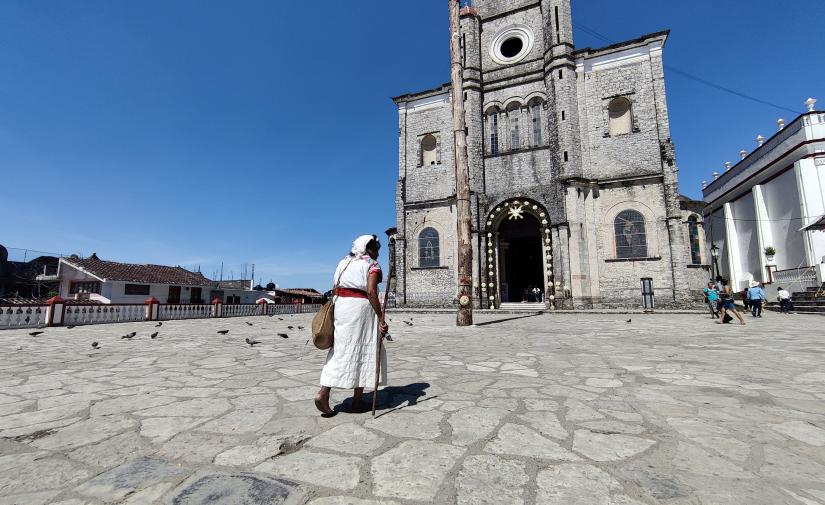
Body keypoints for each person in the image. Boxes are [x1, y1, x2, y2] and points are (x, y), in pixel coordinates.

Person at [315, 235, 389, 415]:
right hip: (360, 308)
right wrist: (381, 317)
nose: (378, 253)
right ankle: (356, 401)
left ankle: (325, 393)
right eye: (376, 249)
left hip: (341, 306)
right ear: (368, 248)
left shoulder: (343, 262)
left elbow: (335, 285)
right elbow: (371, 291)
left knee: (340, 350)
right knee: (365, 348)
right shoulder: (372, 264)